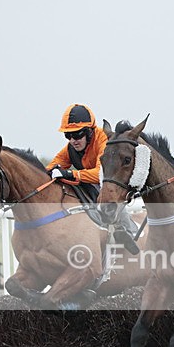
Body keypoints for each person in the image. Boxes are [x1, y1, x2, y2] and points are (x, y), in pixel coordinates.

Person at [46, 103, 139, 253]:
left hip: (113, 182)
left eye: (77, 135)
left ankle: (128, 231)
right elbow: (51, 167)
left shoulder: (103, 140)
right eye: (68, 135)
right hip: (92, 183)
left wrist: (71, 174)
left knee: (108, 191)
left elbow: (100, 174)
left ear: (89, 132)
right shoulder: (71, 148)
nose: (73, 140)